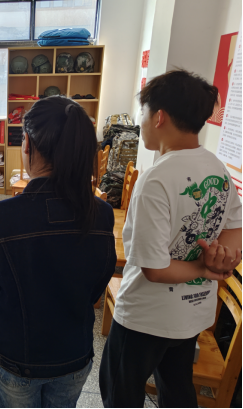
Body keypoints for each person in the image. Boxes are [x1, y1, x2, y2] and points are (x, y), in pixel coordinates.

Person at [99, 70, 242, 408]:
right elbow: (236, 228)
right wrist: (223, 256)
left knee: (119, 391)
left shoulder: (156, 179)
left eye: (144, 112)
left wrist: (205, 268)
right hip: (192, 314)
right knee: (177, 390)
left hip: (146, 317)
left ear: (159, 116)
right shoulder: (218, 169)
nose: (142, 121)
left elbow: (155, 269)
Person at [0, 96, 117, 408]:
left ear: (28, 144)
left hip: (15, 356)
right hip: (74, 354)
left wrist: (8, 324)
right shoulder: (101, 214)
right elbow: (98, 283)